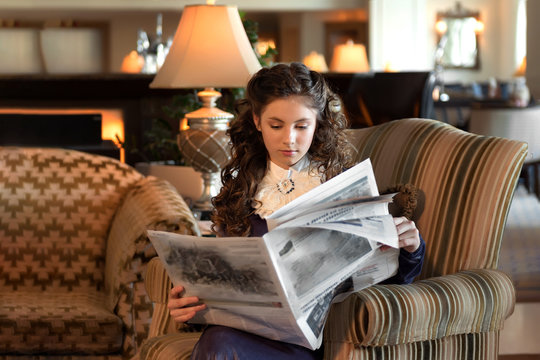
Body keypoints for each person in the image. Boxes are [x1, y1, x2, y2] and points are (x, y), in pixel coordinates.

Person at [167, 62, 425, 359]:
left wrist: (411, 247)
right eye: (276, 125)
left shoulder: (341, 186)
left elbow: (388, 279)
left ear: (318, 125)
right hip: (240, 331)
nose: (289, 139)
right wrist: (188, 302)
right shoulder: (240, 193)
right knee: (219, 343)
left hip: (306, 340)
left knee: (220, 347)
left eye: (302, 126)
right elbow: (223, 279)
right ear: (256, 121)